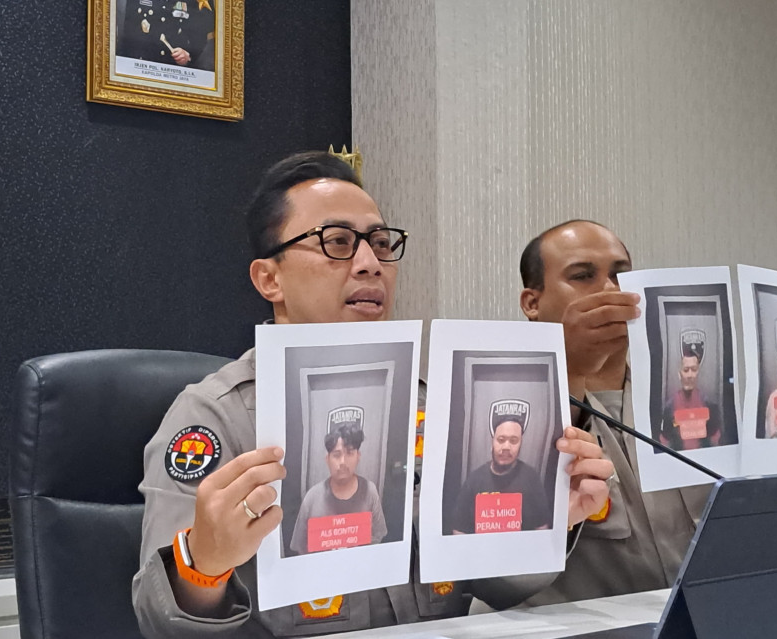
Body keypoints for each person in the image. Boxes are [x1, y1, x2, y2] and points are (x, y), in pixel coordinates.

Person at [132, 154, 614, 637]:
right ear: (269, 279)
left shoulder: (426, 406)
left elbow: (493, 584)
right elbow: (160, 624)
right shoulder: (216, 415)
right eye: (337, 242)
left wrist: (548, 524)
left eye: (381, 244)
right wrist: (204, 565)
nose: (370, 265)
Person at [516, 219, 777, 604]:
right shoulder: (510, 415)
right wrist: (571, 369)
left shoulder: (692, 403)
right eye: (582, 276)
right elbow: (499, 574)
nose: (610, 289)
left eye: (620, 275)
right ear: (532, 303)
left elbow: (760, 527)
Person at [451, 402, 551, 534]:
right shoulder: (474, 480)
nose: (506, 447)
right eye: (501, 439)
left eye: (513, 441)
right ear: (492, 442)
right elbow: (458, 529)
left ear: (520, 444)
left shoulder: (531, 478)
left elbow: (542, 528)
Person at [289, 424, 387, 555]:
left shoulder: (370, 491)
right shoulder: (312, 497)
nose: (343, 462)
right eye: (336, 455)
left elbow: (378, 537)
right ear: (327, 459)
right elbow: (301, 547)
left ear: (358, 456)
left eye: (350, 453)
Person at [657, 344, 725, 450]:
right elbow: (664, 443)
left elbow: (716, 444)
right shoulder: (669, 407)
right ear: (679, 374)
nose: (690, 375)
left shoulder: (709, 405)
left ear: (698, 373)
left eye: (694, 369)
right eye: (686, 370)